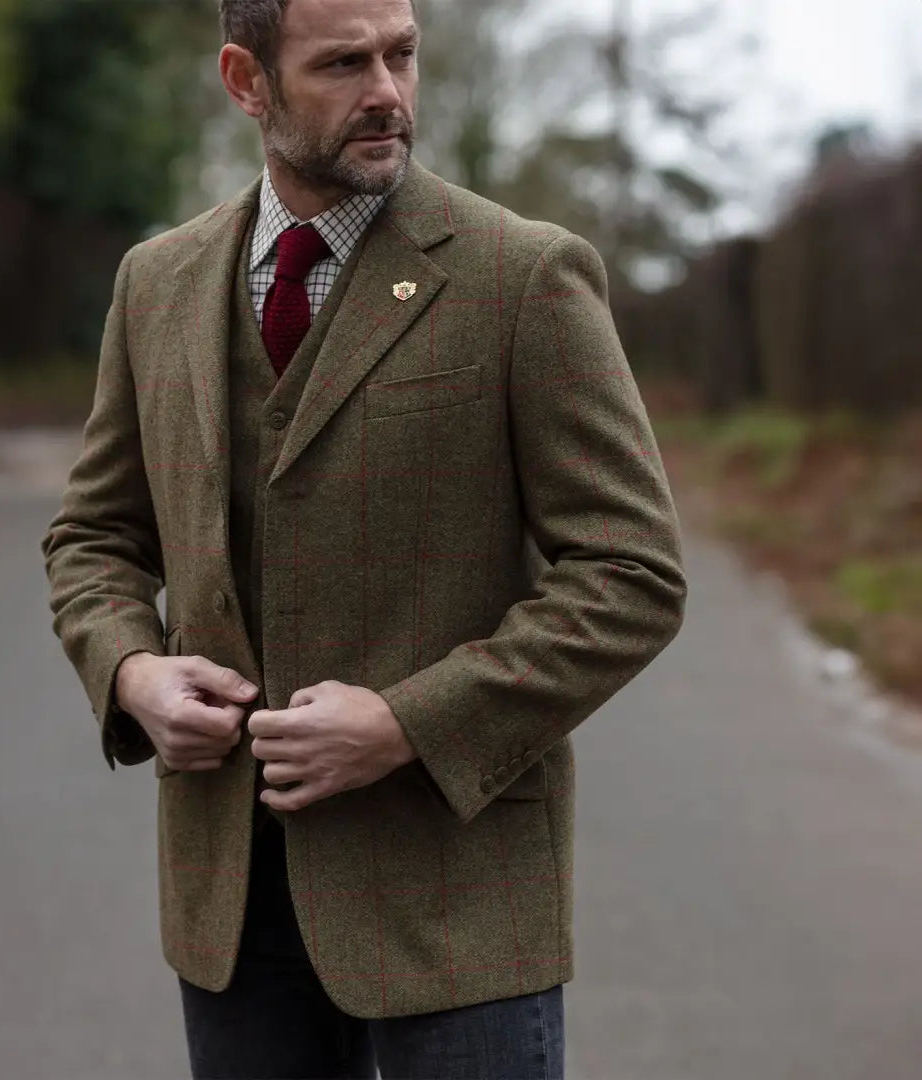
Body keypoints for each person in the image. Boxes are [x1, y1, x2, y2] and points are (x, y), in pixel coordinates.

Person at [41, 0, 687, 1075]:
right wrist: (133, 671)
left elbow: (631, 573)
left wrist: (406, 722)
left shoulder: (522, 275)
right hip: (231, 906)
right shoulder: (154, 284)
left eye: (402, 54)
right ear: (248, 81)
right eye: (345, 62)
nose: (387, 91)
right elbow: (96, 533)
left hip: (458, 902)